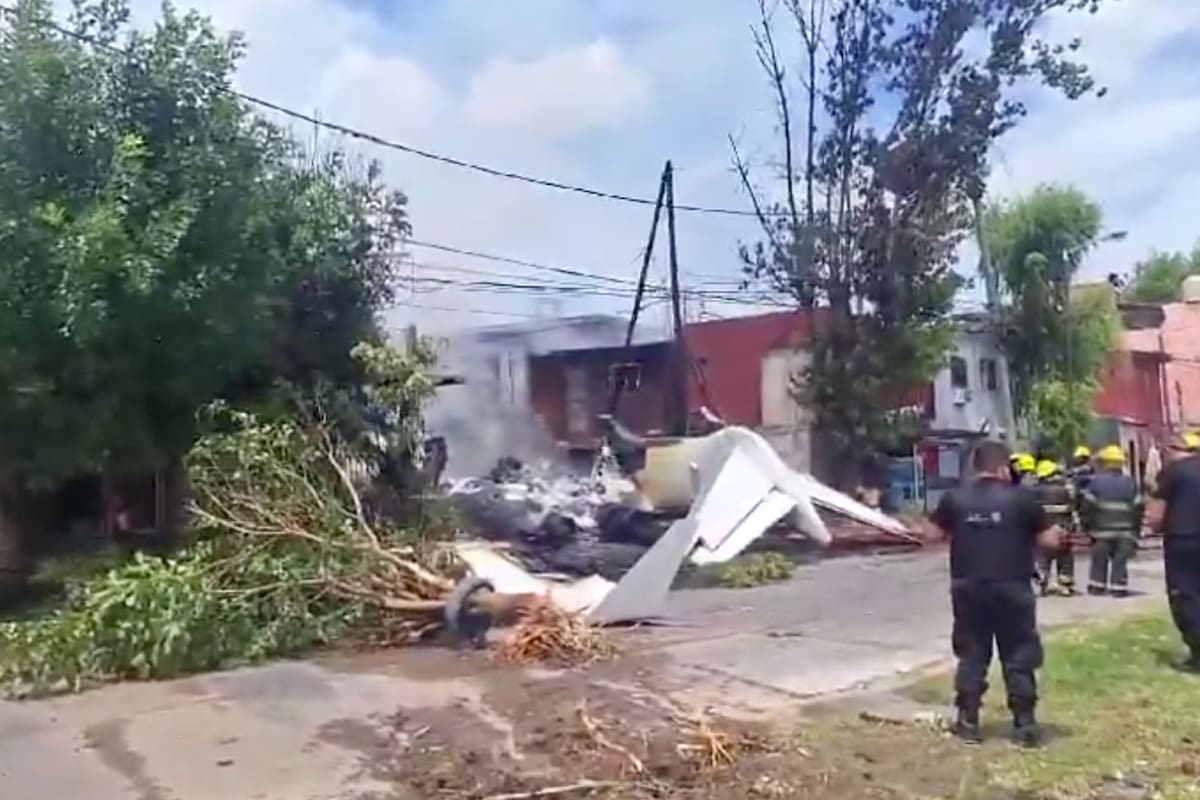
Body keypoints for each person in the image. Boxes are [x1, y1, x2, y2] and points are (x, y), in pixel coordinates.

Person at [927, 440, 1060, 747]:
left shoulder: (955, 498)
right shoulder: (1023, 499)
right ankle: (1024, 724)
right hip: (1012, 586)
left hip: (968, 587)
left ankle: (968, 721)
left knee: (972, 654)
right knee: (1019, 653)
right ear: (1003, 467)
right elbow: (1050, 541)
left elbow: (930, 535)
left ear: (975, 467)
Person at [1147, 434, 1200, 672]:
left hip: (1183, 539)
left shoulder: (1172, 472)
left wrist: (1155, 526)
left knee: (1185, 595)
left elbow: (1156, 516)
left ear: (1171, 449)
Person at [1081, 445, 1142, 597]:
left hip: (1101, 532)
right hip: (1125, 533)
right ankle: (1118, 588)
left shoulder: (1095, 483)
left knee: (1099, 560)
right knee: (1120, 562)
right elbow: (1138, 509)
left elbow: (1087, 508)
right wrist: (1136, 531)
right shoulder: (1131, 483)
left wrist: (1086, 527)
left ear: (1105, 463)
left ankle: (1097, 586)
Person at [1034, 459, 1077, 597]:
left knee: (1042, 559)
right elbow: (1071, 509)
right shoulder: (1064, 491)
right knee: (1065, 558)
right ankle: (1065, 585)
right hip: (1062, 530)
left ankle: (1041, 583)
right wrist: (1072, 527)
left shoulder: (1034, 491)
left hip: (1043, 532)